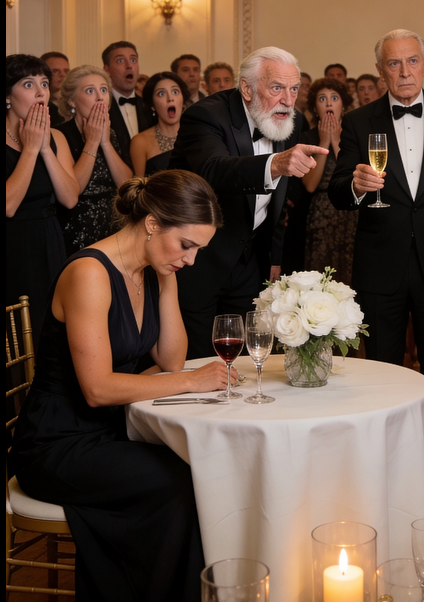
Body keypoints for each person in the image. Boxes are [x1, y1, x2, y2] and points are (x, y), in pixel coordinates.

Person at [9, 171, 229, 602]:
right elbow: (98, 389)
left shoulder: (152, 271)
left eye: (198, 250)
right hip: (56, 443)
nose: (191, 260)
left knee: (203, 468)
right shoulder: (89, 273)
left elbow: (170, 360)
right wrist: (191, 381)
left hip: (109, 431)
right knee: (179, 484)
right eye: (186, 245)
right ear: (152, 223)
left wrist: (168, 280)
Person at [329, 29, 424, 483]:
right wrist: (355, 185)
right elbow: (338, 191)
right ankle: (385, 458)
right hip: (381, 264)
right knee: (381, 367)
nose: (404, 71)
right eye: (394, 63)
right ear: (380, 71)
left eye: (412, 61)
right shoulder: (359, 121)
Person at [170, 46, 328, 357]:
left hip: (248, 260)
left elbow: (277, 200)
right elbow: (214, 170)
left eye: (294, 89)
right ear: (246, 88)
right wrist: (275, 164)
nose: (288, 100)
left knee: (246, 358)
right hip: (198, 259)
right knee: (198, 358)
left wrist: (274, 257)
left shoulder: (289, 120)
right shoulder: (206, 115)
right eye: (277, 88)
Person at [6, 54, 80, 335]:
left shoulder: (57, 137)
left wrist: (45, 148)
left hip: (48, 241)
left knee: (49, 328)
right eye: (28, 84)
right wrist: (30, 149)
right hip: (12, 245)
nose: (40, 92)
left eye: (45, 84)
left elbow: (69, 198)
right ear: (7, 96)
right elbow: (9, 205)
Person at [55, 66, 133, 253]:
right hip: (76, 228)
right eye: (90, 91)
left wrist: (105, 143)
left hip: (113, 225)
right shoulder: (60, 135)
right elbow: (74, 190)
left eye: (104, 90)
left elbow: (126, 185)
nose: (100, 97)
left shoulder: (113, 134)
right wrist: (91, 142)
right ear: (72, 100)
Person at [301, 77, 358, 284]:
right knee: (321, 274)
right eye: (322, 98)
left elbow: (352, 177)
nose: (328, 103)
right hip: (321, 212)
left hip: (350, 209)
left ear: (343, 105)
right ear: (314, 108)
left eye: (334, 98)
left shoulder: (354, 135)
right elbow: (310, 185)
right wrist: (324, 142)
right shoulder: (307, 138)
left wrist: (336, 141)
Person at [130, 72, 190, 176]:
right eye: (161, 94)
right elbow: (137, 184)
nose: (170, 98)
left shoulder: (197, 134)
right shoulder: (140, 142)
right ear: (152, 105)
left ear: (183, 99)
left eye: (175, 92)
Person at [102, 41, 149, 165]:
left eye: (133, 60)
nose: (129, 66)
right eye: (120, 61)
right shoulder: (101, 109)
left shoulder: (149, 106)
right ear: (107, 70)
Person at [41, 50, 70, 126]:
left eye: (66, 71)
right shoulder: (39, 104)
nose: (62, 75)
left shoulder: (74, 102)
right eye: (55, 71)